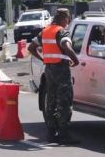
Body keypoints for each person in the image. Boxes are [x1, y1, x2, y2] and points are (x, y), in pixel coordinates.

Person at [27, 8, 80, 145]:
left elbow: (31, 48)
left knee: (51, 101)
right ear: (64, 18)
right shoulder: (61, 31)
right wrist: (76, 60)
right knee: (64, 101)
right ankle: (64, 135)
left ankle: (51, 133)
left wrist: (43, 58)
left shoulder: (45, 31)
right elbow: (66, 46)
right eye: (68, 19)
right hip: (61, 70)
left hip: (49, 69)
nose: (68, 22)